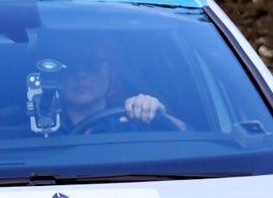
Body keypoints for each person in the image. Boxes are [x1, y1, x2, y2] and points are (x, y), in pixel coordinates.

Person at [46, 36, 186, 133]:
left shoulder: (132, 122)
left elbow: (194, 141)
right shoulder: (36, 127)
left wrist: (157, 114)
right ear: (57, 73)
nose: (81, 74)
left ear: (111, 71)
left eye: (92, 64)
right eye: (72, 65)